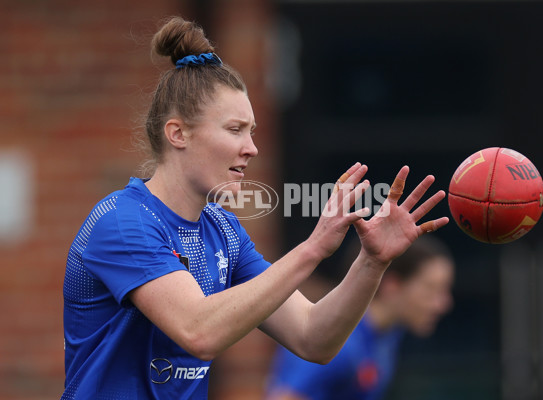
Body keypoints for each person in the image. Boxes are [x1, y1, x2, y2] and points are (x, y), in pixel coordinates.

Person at [61, 16, 449, 400]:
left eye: (252, 131)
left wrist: (372, 262)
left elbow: (314, 338)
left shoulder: (223, 231)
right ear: (178, 133)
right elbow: (199, 331)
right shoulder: (124, 222)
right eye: (235, 130)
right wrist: (313, 249)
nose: (252, 148)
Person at [265, 235, 455, 400]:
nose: (444, 304)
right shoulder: (339, 342)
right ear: (393, 285)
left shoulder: (388, 334)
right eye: (431, 289)